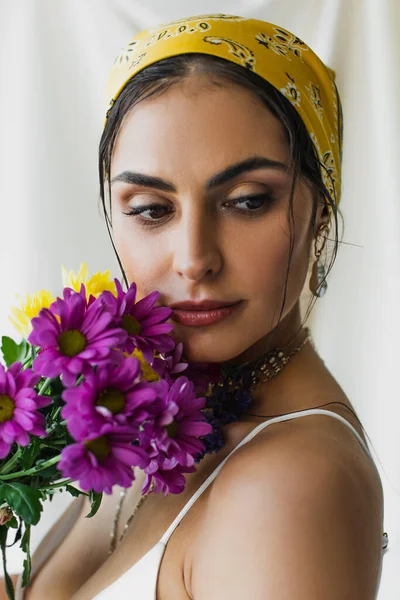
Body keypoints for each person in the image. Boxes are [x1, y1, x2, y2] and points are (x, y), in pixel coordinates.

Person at [8, 13, 388, 600]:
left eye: (246, 201)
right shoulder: (159, 421)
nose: (194, 259)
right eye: (152, 209)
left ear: (321, 210)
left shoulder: (290, 485)